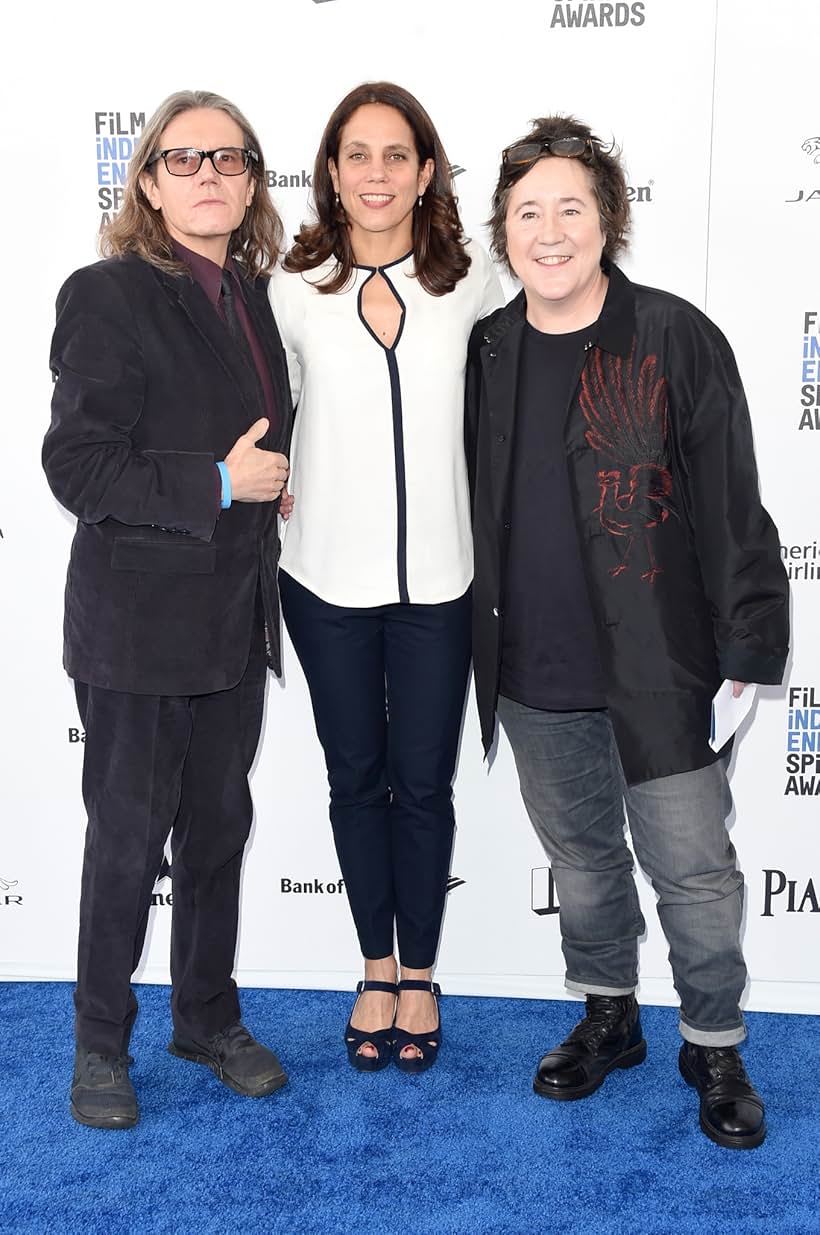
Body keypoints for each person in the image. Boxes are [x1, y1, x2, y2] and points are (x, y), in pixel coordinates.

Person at [466, 115, 789, 1147]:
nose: (548, 231)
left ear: (608, 220)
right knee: (583, 858)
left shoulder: (673, 335)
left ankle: (714, 1040)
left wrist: (746, 649)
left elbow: (736, 504)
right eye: (527, 212)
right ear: (502, 230)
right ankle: (607, 1013)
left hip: (661, 660)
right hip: (530, 661)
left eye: (570, 207)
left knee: (693, 867)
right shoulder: (489, 347)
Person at [43, 90, 293, 1128]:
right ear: (146, 181)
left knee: (219, 832)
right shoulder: (106, 293)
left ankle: (205, 1014)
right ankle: (101, 1040)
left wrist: (273, 485)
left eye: (228, 160)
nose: (208, 176)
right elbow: (78, 463)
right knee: (127, 839)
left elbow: (266, 447)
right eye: (183, 159)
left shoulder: (255, 295)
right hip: (139, 628)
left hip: (235, 622)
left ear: (250, 182)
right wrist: (220, 484)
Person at [269, 81, 503, 1073]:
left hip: (441, 583)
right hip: (322, 580)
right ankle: (374, 963)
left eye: (395, 154)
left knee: (424, 780)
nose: (375, 172)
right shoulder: (288, 286)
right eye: (356, 154)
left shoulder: (474, 278)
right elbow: (257, 406)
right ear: (330, 171)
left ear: (424, 172)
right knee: (353, 776)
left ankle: (422, 970)